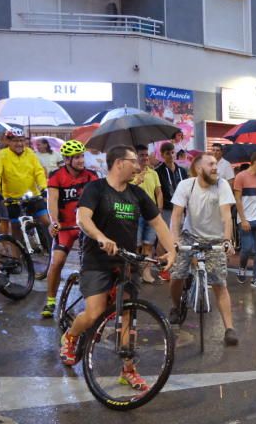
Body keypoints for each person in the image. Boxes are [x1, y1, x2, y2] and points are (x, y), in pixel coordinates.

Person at [59, 146, 176, 382]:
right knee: (94, 314)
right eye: (134, 161)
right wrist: (101, 237)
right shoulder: (96, 188)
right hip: (97, 259)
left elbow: (158, 224)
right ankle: (71, 336)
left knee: (128, 315)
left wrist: (171, 250)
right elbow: (83, 219)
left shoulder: (137, 193)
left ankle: (128, 369)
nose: (139, 165)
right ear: (119, 163)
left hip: (127, 261)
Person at [168, 153, 238, 347]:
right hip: (189, 236)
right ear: (199, 169)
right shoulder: (186, 185)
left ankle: (229, 328)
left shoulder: (222, 185)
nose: (215, 167)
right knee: (177, 275)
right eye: (211, 164)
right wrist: (174, 241)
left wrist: (227, 240)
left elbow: (226, 216)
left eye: (216, 163)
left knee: (219, 283)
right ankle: (176, 306)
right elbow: (176, 216)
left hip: (215, 239)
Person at [41, 140, 99, 318]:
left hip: (85, 225)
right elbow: (52, 201)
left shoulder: (91, 176)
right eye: (77, 157)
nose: (81, 160)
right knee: (57, 261)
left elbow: (99, 199)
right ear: (67, 160)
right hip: (65, 227)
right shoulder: (56, 176)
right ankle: (50, 301)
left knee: (92, 263)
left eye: (82, 156)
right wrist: (54, 222)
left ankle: (92, 300)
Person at [0, 128, 49, 238]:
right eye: (15, 141)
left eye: (22, 140)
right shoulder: (2, 155)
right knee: (16, 227)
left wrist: (43, 187)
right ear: (8, 141)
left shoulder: (30, 153)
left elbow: (38, 171)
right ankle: (18, 254)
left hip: (33, 195)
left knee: (47, 221)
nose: (19, 144)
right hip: (12, 197)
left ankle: (54, 246)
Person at [233, 151, 256, 289]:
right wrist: (243, 220)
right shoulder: (240, 177)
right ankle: (242, 268)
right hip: (245, 219)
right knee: (246, 248)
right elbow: (238, 199)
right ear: (254, 162)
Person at [154, 141, 188, 280]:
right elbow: (159, 191)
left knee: (179, 238)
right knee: (164, 238)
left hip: (181, 208)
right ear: (162, 155)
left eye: (172, 152)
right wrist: (159, 208)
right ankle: (163, 267)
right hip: (167, 208)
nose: (171, 155)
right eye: (167, 153)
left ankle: (176, 265)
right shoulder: (158, 171)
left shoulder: (182, 171)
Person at [131, 145, 164, 283]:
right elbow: (126, 190)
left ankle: (146, 273)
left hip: (151, 213)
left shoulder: (153, 173)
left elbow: (159, 192)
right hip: (136, 213)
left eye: (146, 155)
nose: (144, 157)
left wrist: (159, 209)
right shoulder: (131, 173)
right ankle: (133, 274)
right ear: (136, 156)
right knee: (136, 246)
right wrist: (137, 181)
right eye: (141, 155)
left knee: (148, 245)